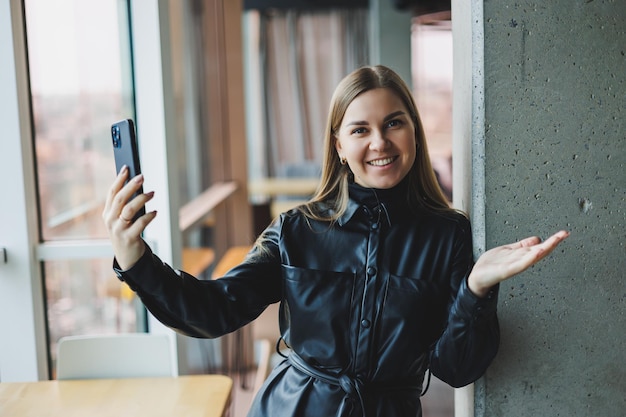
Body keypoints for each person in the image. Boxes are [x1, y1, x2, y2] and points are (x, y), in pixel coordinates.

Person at [103, 65, 569, 417]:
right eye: (360, 129)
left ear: (414, 132)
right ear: (340, 145)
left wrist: (475, 291)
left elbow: (456, 368)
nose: (380, 143)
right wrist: (136, 260)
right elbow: (212, 310)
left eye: (394, 123)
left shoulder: (447, 235)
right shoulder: (295, 230)